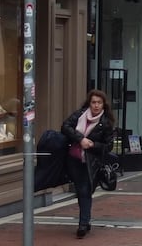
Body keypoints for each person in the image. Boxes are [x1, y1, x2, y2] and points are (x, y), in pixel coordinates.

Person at [61, 89, 116, 238]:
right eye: (93, 102)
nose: (96, 105)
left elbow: (109, 146)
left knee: (85, 190)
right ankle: (85, 220)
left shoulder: (106, 123)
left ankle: (83, 224)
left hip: (91, 162)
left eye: (99, 102)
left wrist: (92, 145)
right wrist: (80, 139)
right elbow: (65, 126)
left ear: (103, 104)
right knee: (82, 190)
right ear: (89, 103)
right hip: (73, 159)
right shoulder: (80, 115)